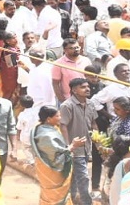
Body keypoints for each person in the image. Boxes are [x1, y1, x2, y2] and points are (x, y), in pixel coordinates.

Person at [34, 105, 80, 205]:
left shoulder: (45, 128)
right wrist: (72, 146)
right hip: (52, 172)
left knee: (49, 196)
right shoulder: (46, 135)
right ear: (49, 119)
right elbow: (55, 158)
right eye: (58, 116)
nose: (60, 118)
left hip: (46, 169)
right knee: (54, 197)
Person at [59, 77, 94, 205]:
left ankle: (72, 200)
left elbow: (93, 123)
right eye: (83, 87)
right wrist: (69, 146)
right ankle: (86, 202)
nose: (87, 89)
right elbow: (63, 125)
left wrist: (97, 138)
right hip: (75, 149)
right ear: (74, 90)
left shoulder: (90, 104)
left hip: (87, 147)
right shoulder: (67, 106)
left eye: (87, 86)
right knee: (83, 177)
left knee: (74, 178)